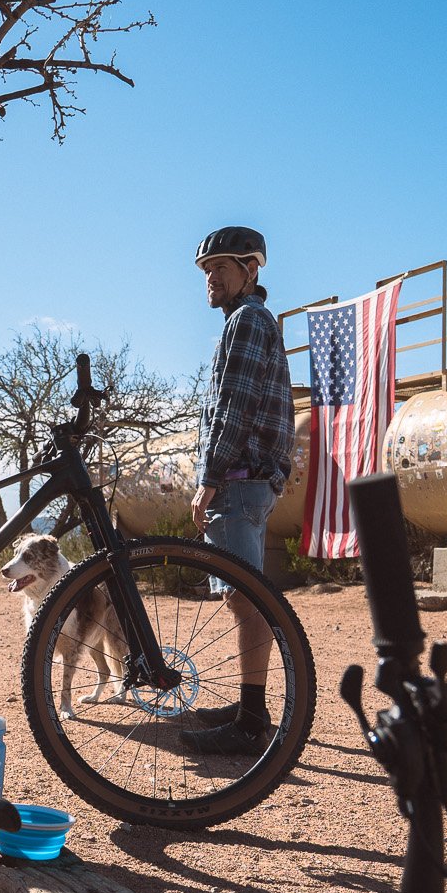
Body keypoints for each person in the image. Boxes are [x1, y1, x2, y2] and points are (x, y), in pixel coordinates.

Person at [182, 225, 294, 757]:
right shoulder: (248, 321)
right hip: (249, 478)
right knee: (241, 596)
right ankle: (250, 706)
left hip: (239, 478)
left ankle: (251, 722)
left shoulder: (247, 320)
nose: (211, 278)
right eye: (207, 270)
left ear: (250, 270)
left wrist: (208, 479)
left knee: (245, 597)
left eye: (221, 268)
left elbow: (235, 405)